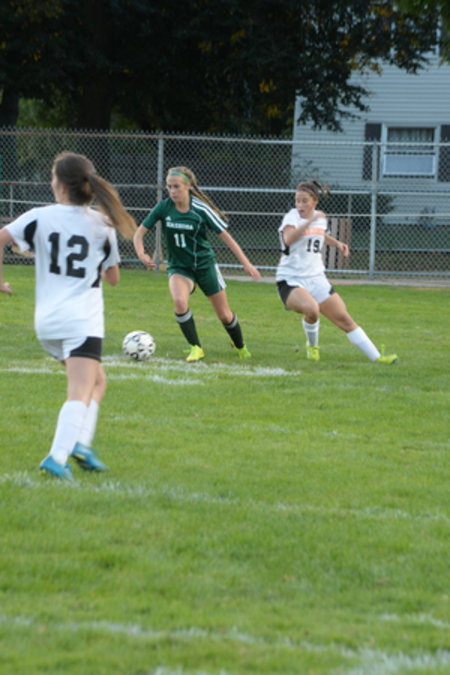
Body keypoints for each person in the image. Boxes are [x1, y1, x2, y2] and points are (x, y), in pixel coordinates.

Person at [0, 151, 137, 479]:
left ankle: (82, 445)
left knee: (97, 381)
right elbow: (113, 278)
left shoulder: (38, 217)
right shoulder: (101, 224)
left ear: (60, 185)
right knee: (80, 390)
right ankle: (57, 457)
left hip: (46, 323)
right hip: (81, 321)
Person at [133, 166, 261, 362]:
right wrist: (141, 253)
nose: (172, 191)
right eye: (169, 187)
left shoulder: (200, 209)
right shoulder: (164, 207)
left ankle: (240, 346)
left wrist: (247, 264)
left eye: (176, 186)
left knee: (225, 315)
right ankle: (196, 348)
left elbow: (226, 237)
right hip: (179, 268)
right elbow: (139, 233)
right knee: (179, 302)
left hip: (205, 266)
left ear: (188, 186)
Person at [276, 179, 398, 364]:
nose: (300, 205)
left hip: (317, 278)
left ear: (315, 201)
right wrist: (310, 221)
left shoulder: (319, 219)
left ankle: (378, 358)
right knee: (312, 309)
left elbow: (319, 234)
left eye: (304, 201)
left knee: (344, 319)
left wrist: (337, 243)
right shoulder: (292, 217)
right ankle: (313, 346)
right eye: (297, 200)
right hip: (291, 279)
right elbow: (289, 239)